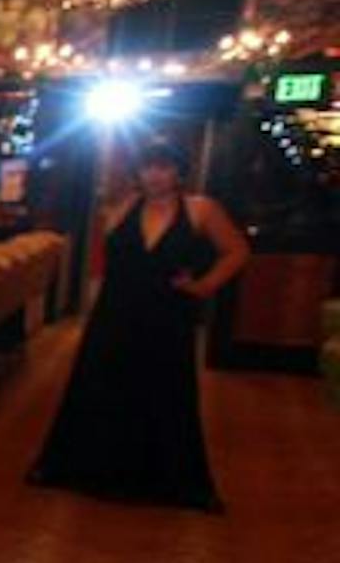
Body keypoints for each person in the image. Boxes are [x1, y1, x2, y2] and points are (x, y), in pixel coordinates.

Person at [29, 139, 248, 511]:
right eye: (148, 167)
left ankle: (163, 480)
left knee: (165, 392)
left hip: (168, 314)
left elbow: (237, 250)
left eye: (163, 167)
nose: (155, 175)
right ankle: (93, 470)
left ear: (179, 171)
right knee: (104, 386)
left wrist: (204, 286)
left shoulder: (200, 209)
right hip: (116, 311)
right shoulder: (123, 205)